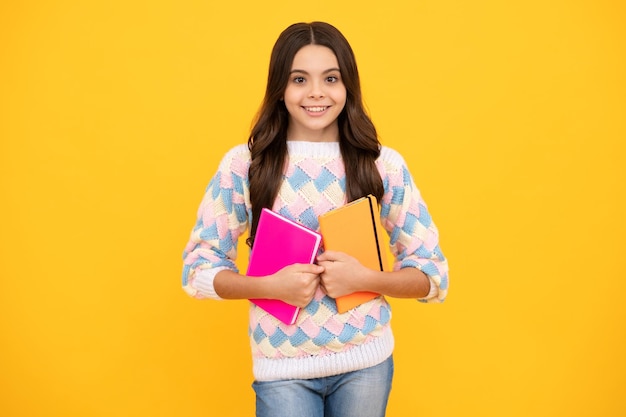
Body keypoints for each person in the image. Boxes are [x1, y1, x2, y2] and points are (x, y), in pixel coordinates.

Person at [181, 21, 449, 417]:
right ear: (280, 88)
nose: (317, 92)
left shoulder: (382, 165)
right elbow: (198, 269)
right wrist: (269, 286)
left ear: (348, 86)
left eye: (331, 78)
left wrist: (365, 280)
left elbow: (432, 275)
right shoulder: (245, 165)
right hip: (281, 369)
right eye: (299, 79)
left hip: (366, 364)